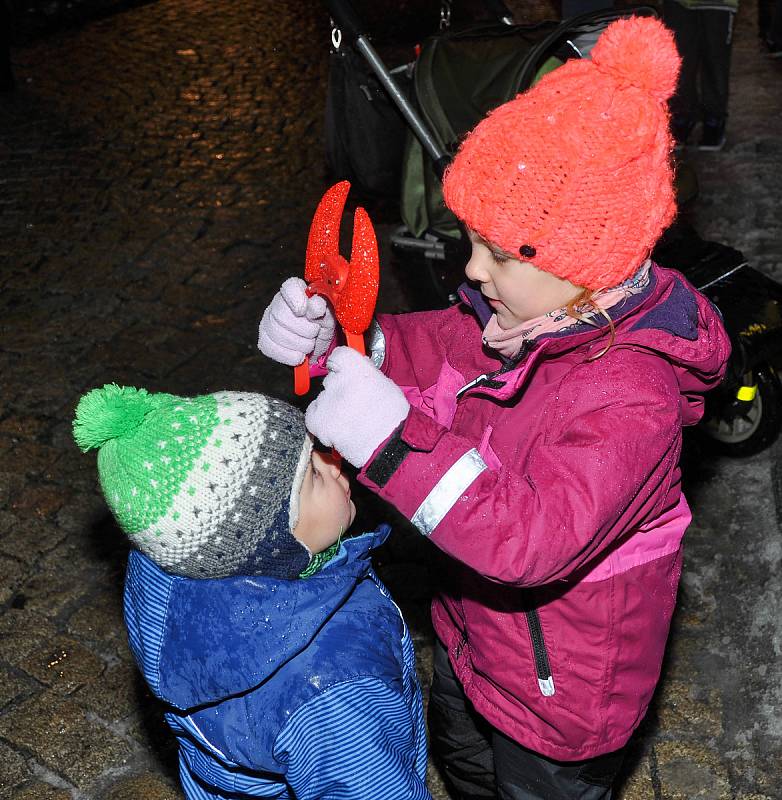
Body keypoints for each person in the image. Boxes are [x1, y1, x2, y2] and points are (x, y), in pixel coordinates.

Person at [259, 16, 731, 800]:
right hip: (475, 640)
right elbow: (444, 349)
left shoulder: (631, 397)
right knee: (469, 765)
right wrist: (350, 344)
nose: (471, 268)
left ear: (587, 264)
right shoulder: (524, 316)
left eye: (500, 253)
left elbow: (533, 539)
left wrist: (390, 442)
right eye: (472, 239)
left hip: (565, 694)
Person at [72, 384, 431, 800]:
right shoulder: (332, 687)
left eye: (315, 449)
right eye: (312, 475)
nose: (334, 465)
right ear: (272, 543)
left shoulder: (176, 575)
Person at [663, 0, 738, 150]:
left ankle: (714, 120)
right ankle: (682, 116)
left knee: (715, 62)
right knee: (678, 62)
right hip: (678, 4)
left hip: (719, 4)